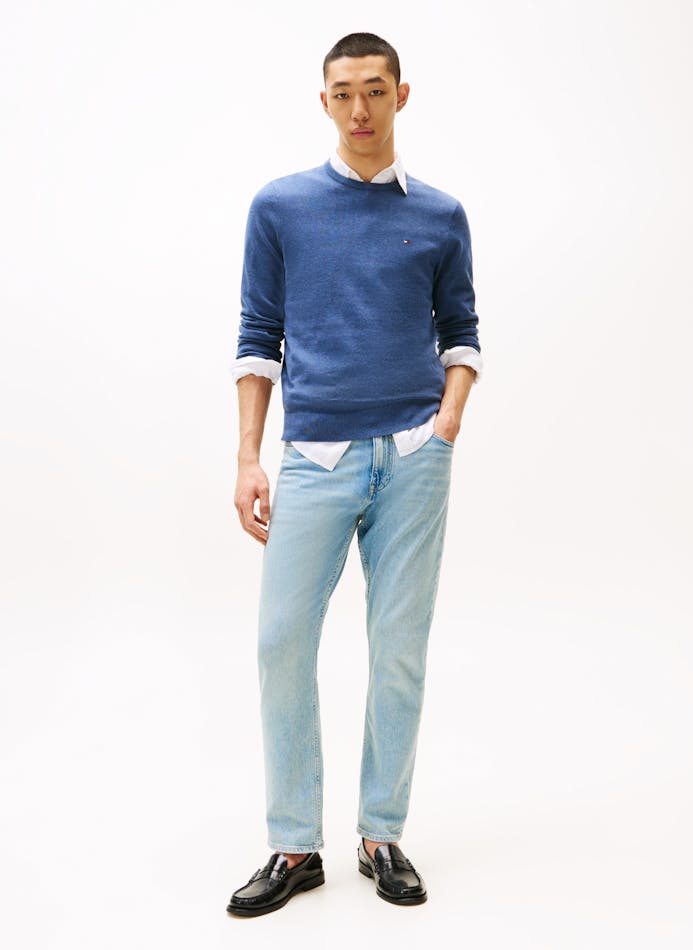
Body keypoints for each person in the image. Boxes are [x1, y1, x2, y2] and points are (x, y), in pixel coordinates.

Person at [226, 31, 483, 917]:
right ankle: (295, 844)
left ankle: (381, 833)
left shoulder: (440, 215)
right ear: (324, 101)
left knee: (398, 650)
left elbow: (461, 332)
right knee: (280, 641)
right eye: (343, 93)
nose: (359, 109)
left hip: (412, 458)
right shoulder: (281, 208)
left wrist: (445, 425)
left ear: (400, 95)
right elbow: (257, 337)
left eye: (375, 90)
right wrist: (248, 456)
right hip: (314, 458)